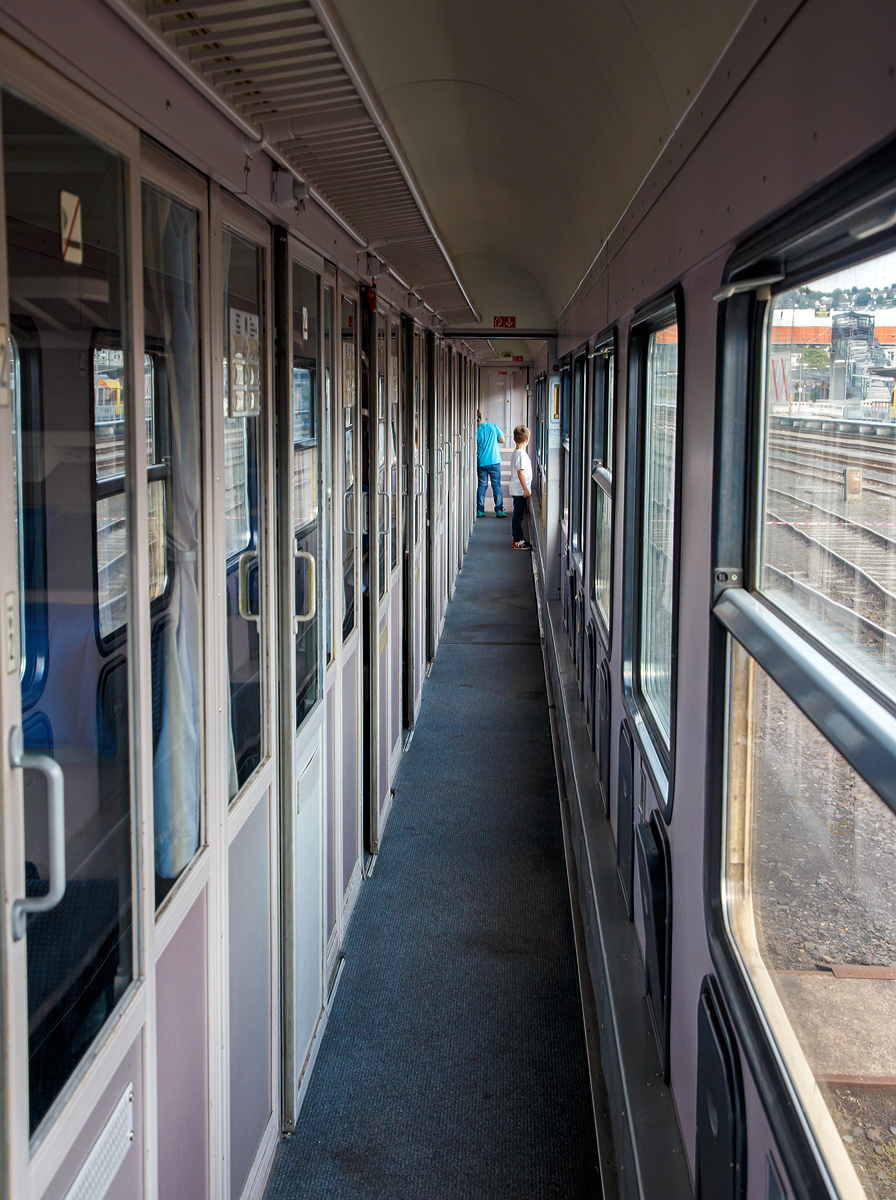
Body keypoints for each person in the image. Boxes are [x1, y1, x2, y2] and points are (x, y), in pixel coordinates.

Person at [476, 409, 506, 517]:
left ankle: (480, 510)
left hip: (481, 462)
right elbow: (502, 440)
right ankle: (499, 510)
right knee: (496, 485)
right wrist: (494, 441)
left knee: (482, 486)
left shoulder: (475, 431)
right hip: (494, 461)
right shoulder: (493, 426)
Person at [509, 424, 533, 550]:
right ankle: (517, 540)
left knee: (518, 514)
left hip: (518, 490)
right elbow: (520, 472)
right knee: (518, 515)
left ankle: (518, 538)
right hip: (520, 491)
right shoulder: (521, 455)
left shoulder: (516, 453)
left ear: (514, 439)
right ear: (527, 440)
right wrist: (525, 489)